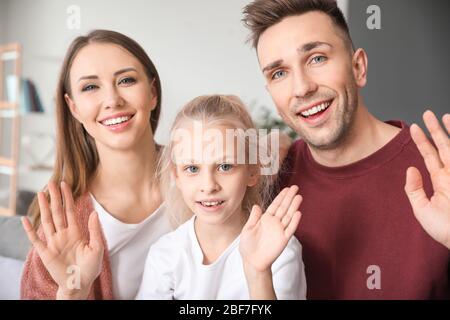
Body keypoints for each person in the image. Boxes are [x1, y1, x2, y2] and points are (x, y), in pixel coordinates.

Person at [242, 0, 450, 299]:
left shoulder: (440, 174)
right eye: (279, 73)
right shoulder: (268, 182)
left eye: (316, 58)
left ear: (358, 67)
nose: (301, 88)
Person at [20, 30, 172, 300]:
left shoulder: (204, 171)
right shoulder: (63, 220)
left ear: (152, 92)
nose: (113, 100)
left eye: (126, 80)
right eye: (90, 87)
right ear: (74, 107)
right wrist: (72, 292)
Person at [136, 94, 306, 299]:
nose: (208, 186)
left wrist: (259, 273)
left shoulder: (279, 250)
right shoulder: (165, 255)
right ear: (176, 175)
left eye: (225, 166)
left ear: (252, 171)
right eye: (192, 168)